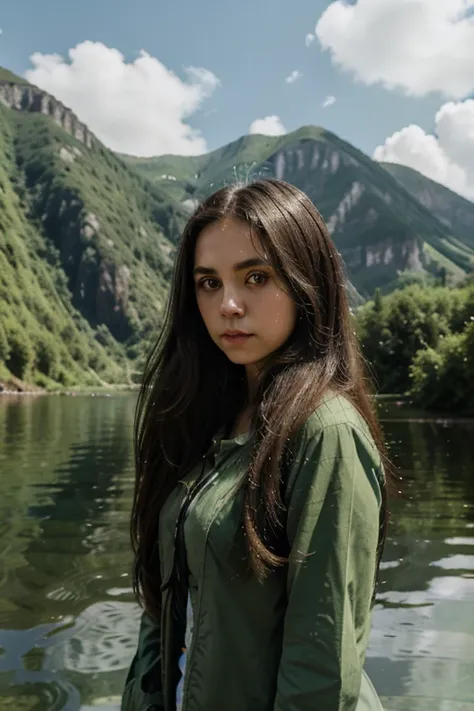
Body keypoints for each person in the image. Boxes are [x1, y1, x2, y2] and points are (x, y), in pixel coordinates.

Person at [121, 179, 388, 711]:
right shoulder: (203, 420)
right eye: (208, 283)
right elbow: (165, 608)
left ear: (306, 281)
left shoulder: (326, 432)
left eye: (256, 277)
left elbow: (321, 672)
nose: (229, 305)